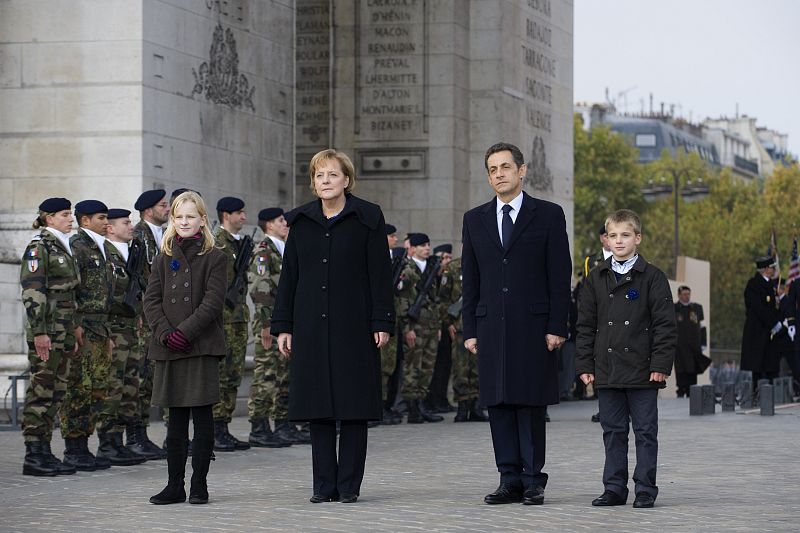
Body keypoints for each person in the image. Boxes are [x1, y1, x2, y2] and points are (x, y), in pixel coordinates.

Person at [273, 148, 394, 504]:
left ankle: (349, 486)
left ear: (346, 180)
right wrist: (283, 326)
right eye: (319, 176)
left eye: (332, 175)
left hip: (355, 325)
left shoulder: (368, 218)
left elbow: (380, 276)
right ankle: (323, 485)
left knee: (353, 406)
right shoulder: (301, 222)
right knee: (318, 408)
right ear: (313, 183)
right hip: (310, 326)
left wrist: (382, 321)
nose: (325, 181)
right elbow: (289, 277)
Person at [461, 142, 571, 506]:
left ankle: (533, 478)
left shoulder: (548, 215)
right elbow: (470, 278)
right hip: (491, 325)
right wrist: (470, 330)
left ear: (522, 171)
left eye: (505, 167)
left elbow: (559, 274)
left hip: (534, 325)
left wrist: (557, 325)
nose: (499, 175)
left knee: (529, 402)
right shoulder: (474, 219)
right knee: (499, 402)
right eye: (492, 169)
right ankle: (508, 478)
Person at [575, 209, 676, 509]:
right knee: (613, 432)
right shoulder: (595, 278)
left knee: (645, 432)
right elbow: (585, 326)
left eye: (626, 235)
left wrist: (660, 365)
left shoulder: (653, 278)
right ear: (606, 240)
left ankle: (645, 488)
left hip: (644, 371)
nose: (619, 241)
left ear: (638, 238)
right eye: (613, 236)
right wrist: (584, 365)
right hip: (607, 370)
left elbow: (665, 326)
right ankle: (614, 488)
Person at [143, 191, 227, 505]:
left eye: (190, 216)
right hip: (169, 348)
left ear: (202, 220)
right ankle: (173, 485)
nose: (184, 222)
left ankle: (199, 484)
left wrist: (186, 331)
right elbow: (150, 300)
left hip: (200, 345)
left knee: (202, 418)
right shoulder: (162, 256)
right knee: (175, 420)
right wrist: (166, 333)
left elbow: (213, 302)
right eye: (178, 217)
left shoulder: (215, 256)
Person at [20, 198, 80, 476]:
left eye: (71, 214)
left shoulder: (62, 245)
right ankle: (34, 453)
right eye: (65, 214)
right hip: (48, 333)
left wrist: (75, 327)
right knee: (41, 390)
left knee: (57, 391)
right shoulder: (39, 247)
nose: (71, 219)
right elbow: (33, 291)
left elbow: (69, 294)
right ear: (48, 217)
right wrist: (40, 332)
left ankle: (45, 451)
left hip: (64, 331)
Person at [60, 200, 114, 472]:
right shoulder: (78, 247)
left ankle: (84, 444)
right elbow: (70, 289)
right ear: (85, 220)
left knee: (96, 389)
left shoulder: (100, 247)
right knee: (78, 389)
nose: (107, 222)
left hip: (100, 329)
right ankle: (74, 448)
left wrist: (108, 334)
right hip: (83, 329)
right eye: (101, 218)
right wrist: (75, 325)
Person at [98, 208, 148, 465]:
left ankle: (123, 439)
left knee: (130, 386)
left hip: (131, 331)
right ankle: (108, 442)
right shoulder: (106, 254)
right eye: (126, 223)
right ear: (110, 228)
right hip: (115, 331)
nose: (131, 226)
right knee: (113, 386)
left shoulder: (132, 254)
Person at [246, 207, 293, 448]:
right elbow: (259, 288)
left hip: (284, 322)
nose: (285, 224)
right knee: (266, 373)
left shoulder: (283, 249)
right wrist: (266, 324)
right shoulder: (263, 251)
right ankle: (259, 425)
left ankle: (282, 422)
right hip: (270, 322)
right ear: (269, 225)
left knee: (283, 374)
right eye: (281, 220)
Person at [129, 189, 170, 458]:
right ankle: (135, 435)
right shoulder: (138, 236)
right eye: (163, 205)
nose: (168, 209)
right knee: (139, 378)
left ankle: (147, 434)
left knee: (153, 378)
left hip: (161, 318)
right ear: (147, 211)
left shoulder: (166, 236)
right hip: (143, 319)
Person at [212, 196, 251, 451]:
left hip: (237, 319)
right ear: (226, 215)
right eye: (239, 213)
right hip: (222, 321)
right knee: (221, 375)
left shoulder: (237, 244)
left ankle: (224, 426)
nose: (244, 217)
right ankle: (215, 428)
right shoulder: (217, 243)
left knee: (233, 374)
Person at [397, 233, 445, 423]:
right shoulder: (407, 269)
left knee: (427, 367)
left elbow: (436, 300)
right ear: (413, 248)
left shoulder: (431, 268)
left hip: (431, 326)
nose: (427, 248)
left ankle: (422, 403)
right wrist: (407, 328)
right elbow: (402, 301)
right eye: (422, 245)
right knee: (412, 366)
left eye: (428, 244)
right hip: (415, 327)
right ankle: (412, 408)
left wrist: (438, 325)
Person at [439, 249, 487, 422]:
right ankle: (462, 405)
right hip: (459, 326)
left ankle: (476, 405)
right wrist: (448, 322)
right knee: (460, 367)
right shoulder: (452, 268)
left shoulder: (486, 264)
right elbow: (443, 298)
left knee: (478, 367)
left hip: (482, 324)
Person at [740, 256, 782, 391]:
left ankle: (769, 394)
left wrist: (778, 322)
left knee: (770, 366)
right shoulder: (754, 284)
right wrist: (773, 323)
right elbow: (758, 308)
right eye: (772, 267)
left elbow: (774, 306)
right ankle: (756, 394)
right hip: (758, 331)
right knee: (758, 368)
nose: (774, 269)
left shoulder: (771, 285)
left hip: (770, 332)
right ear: (765, 269)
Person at [673, 286, 709, 397]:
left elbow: (702, 327)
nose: (686, 296)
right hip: (679, 346)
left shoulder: (696, 308)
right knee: (680, 368)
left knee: (692, 368)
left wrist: (703, 343)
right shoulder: (673, 308)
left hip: (694, 345)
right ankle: (681, 389)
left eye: (688, 294)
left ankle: (691, 391)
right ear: (679, 295)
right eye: (684, 294)